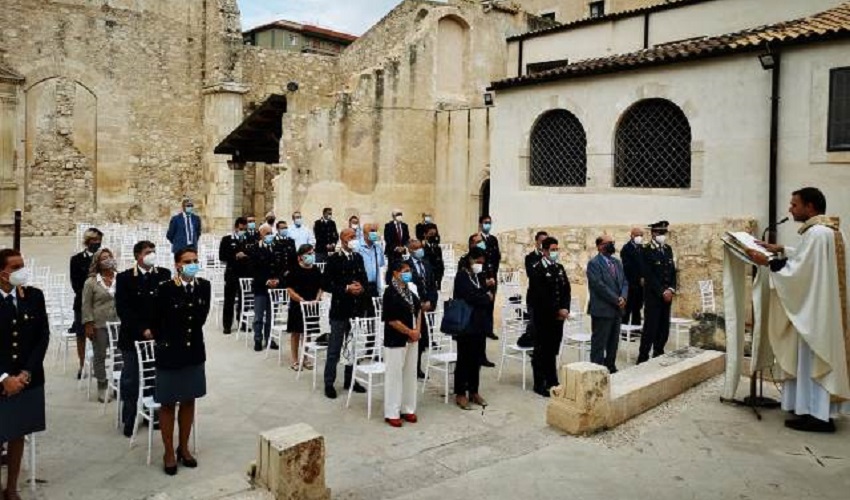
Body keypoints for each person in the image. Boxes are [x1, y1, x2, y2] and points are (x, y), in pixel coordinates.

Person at [748, 187, 850, 433]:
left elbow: (800, 272)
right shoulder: (830, 231)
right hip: (820, 311)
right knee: (811, 362)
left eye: (795, 205)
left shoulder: (817, 234)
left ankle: (818, 417)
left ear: (810, 207)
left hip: (814, 313)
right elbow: (807, 261)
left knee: (812, 360)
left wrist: (768, 262)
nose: (790, 209)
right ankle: (812, 410)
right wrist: (781, 249)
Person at [153, 248, 210, 475]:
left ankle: (183, 448)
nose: (192, 264)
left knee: (189, 401)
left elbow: (200, 318)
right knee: (167, 404)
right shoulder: (165, 289)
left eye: (195, 261)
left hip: (194, 351)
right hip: (170, 353)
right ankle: (168, 451)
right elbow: (156, 321)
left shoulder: (203, 286)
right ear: (177, 264)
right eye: (188, 261)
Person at [1, 249, 49, 500]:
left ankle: (12, 487)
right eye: (16, 266)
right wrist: (3, 378)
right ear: (2, 273)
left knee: (18, 433)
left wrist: (26, 373)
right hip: (2, 381)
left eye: (23, 265)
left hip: (27, 379)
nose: (22, 270)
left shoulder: (33, 296)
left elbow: (42, 337)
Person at [115, 241, 172, 437]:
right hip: (132, 338)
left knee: (155, 377)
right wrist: (143, 329)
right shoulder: (125, 278)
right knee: (131, 379)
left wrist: (157, 329)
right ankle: (129, 418)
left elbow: (166, 305)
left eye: (153, 251)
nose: (152, 255)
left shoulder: (163, 275)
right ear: (138, 256)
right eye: (148, 252)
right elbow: (124, 309)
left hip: (157, 337)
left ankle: (154, 415)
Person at [321, 229, 375, 399]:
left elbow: (364, 278)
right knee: (335, 347)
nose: (354, 240)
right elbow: (326, 284)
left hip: (356, 309)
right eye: (351, 237)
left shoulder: (358, 257)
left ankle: (350, 379)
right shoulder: (334, 259)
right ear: (343, 240)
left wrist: (361, 288)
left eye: (355, 237)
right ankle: (329, 382)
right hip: (340, 309)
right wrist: (346, 288)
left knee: (353, 347)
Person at [528, 237, 571, 397]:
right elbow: (541, 296)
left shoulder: (559, 268)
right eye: (552, 250)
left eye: (556, 249)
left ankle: (552, 379)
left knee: (552, 348)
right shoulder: (537, 269)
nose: (555, 252)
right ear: (544, 251)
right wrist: (556, 311)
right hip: (543, 317)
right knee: (541, 350)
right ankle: (540, 383)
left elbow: (566, 289)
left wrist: (565, 308)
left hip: (558, 317)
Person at [382, 260, 422, 427]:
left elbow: (419, 311)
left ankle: (408, 408)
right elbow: (391, 320)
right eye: (404, 270)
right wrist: (409, 331)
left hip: (412, 338)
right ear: (396, 273)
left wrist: (417, 331)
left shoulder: (410, 292)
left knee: (409, 374)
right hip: (396, 339)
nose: (408, 273)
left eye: (409, 270)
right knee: (394, 376)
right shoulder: (390, 293)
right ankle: (392, 411)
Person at [453, 247, 493, 410]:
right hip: (465, 324)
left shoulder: (478, 275)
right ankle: (460, 393)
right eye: (478, 262)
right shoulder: (462, 276)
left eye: (482, 263)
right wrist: (485, 297)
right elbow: (470, 296)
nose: (480, 265)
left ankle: (474, 391)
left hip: (479, 323)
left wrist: (484, 294)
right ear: (471, 260)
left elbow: (482, 292)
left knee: (476, 358)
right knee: (464, 358)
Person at [82, 248, 120, 402]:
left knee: (119, 355)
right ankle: (102, 385)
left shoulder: (120, 278)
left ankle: (118, 384)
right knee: (100, 355)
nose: (107, 260)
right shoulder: (91, 282)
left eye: (109, 257)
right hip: (99, 323)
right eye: (103, 258)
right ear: (97, 262)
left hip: (118, 322)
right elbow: (86, 305)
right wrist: (88, 324)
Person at [637, 221, 677, 364]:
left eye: (664, 233)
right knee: (650, 328)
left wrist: (671, 289)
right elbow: (649, 275)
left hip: (667, 296)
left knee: (663, 327)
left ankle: (659, 352)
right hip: (654, 296)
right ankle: (643, 357)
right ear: (653, 233)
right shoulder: (645, 250)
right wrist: (662, 292)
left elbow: (672, 272)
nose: (662, 235)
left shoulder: (668, 249)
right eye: (660, 233)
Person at [587, 235, 628, 374]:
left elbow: (624, 282)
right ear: (599, 246)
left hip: (617, 310)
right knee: (599, 342)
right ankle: (596, 370)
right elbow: (599, 286)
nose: (611, 245)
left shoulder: (617, 262)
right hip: (602, 309)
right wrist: (616, 299)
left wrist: (623, 296)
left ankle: (610, 366)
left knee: (613, 342)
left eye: (613, 242)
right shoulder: (594, 264)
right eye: (608, 243)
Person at [70, 227, 103, 378]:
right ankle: (82, 364)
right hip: (82, 302)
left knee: (99, 335)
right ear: (88, 242)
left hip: (101, 303)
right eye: (94, 240)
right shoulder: (76, 259)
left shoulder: (103, 257)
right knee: (81, 335)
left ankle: (98, 365)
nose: (97, 243)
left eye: (99, 240)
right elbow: (76, 284)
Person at [286, 245, 323, 371]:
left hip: (312, 305)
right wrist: (300, 299)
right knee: (296, 333)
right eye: (308, 254)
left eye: (312, 253)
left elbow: (320, 287)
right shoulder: (294, 270)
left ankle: (305, 357)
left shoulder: (316, 270)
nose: (310, 256)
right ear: (300, 257)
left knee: (308, 333)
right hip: (298, 305)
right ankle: (295, 359)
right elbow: (289, 289)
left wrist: (317, 299)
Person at [250, 226, 286, 352]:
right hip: (261, 287)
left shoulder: (278, 248)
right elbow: (254, 270)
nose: (270, 235)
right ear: (261, 235)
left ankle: (269, 338)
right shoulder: (255, 249)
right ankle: (258, 339)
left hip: (275, 287)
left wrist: (278, 280)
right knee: (259, 316)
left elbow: (282, 267)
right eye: (267, 233)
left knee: (271, 316)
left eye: (271, 233)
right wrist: (266, 281)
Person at [463, 234, 497, 367]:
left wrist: (490, 290)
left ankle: (482, 356)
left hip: (484, 302)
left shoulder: (485, 259)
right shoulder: (465, 262)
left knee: (482, 331)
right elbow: (469, 289)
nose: (481, 243)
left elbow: (488, 275)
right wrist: (485, 286)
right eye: (478, 242)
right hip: (471, 308)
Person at [408, 240, 438, 378]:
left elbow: (432, 284)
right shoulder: (406, 266)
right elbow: (407, 287)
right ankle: (410, 368)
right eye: (416, 248)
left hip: (427, 306)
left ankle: (418, 368)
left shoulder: (427, 264)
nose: (420, 250)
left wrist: (431, 302)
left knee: (423, 339)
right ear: (410, 250)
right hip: (414, 307)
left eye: (421, 247)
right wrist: (418, 304)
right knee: (413, 338)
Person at [218, 217, 251, 334]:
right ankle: (227, 325)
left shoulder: (249, 240)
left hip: (245, 274)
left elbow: (254, 254)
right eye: (241, 228)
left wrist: (246, 255)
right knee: (229, 300)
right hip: (232, 273)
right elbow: (222, 256)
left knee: (244, 300)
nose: (243, 231)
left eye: (245, 229)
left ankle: (243, 322)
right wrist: (235, 255)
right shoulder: (227, 240)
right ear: (236, 228)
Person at [523, 231, 549, 343]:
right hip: (535, 296)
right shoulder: (530, 257)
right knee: (534, 324)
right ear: (537, 242)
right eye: (542, 241)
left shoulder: (550, 257)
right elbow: (532, 275)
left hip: (548, 296)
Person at [479, 215, 501, 341]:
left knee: (491, 303)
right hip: (483, 276)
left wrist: (493, 274)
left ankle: (489, 329)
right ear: (481, 224)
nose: (488, 225)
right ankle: (482, 329)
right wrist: (486, 276)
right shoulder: (478, 239)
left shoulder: (493, 239)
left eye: (489, 222)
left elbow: (497, 257)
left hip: (493, 276)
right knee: (483, 302)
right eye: (486, 222)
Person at [621, 228, 645, 328]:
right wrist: (638, 277)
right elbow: (628, 266)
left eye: (641, 235)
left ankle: (636, 328)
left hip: (641, 284)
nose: (639, 237)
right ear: (632, 236)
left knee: (637, 307)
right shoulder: (626, 249)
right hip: (630, 282)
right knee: (628, 307)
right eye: (637, 235)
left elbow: (644, 265)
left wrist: (644, 276)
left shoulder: (641, 248)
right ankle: (624, 328)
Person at [358, 223, 386, 298]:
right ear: (364, 233)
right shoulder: (357, 247)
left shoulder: (378, 247)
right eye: (372, 231)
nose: (374, 233)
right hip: (361, 285)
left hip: (374, 285)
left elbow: (381, 265)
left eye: (375, 231)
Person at [422, 224, 445, 290]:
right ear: (425, 234)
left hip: (437, 281)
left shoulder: (437, 248)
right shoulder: (421, 248)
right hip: (427, 281)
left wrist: (439, 281)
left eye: (435, 234)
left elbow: (440, 265)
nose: (433, 236)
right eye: (431, 234)